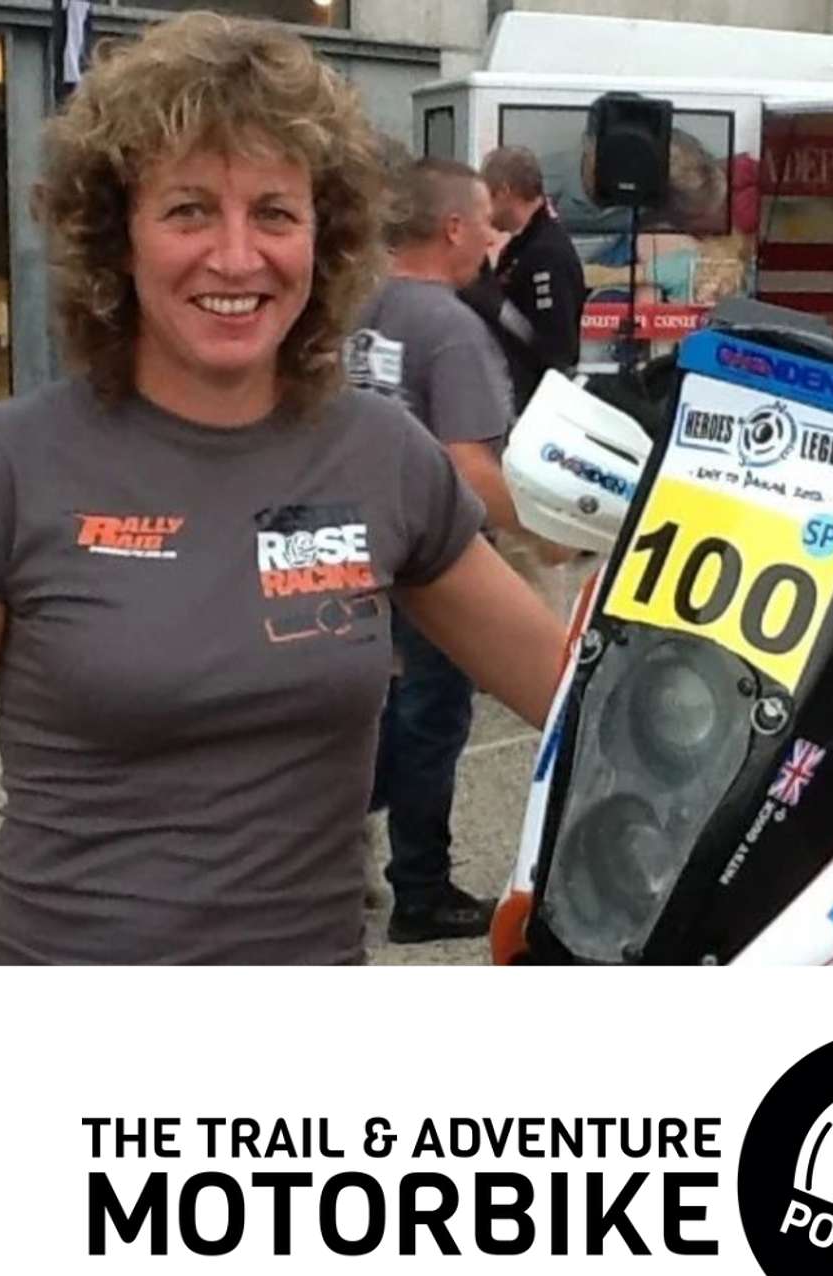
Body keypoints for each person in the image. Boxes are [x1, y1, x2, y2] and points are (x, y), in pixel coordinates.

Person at [0, 12, 566, 965]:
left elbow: (574, 700)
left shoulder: (383, 456)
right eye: (189, 210)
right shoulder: (2, 466)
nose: (236, 258)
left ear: (324, 235)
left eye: (274, 213)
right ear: (118, 237)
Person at [347, 157, 528, 944]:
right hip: (430, 559)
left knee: (382, 711)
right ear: (454, 228)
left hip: (349, 542)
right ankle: (421, 890)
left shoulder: (355, 307)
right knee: (432, 719)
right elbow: (468, 466)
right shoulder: (452, 328)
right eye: (486, 220)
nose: (494, 236)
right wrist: (551, 530)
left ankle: (321, 839)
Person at [461, 146, 586, 414]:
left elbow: (556, 347)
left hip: (536, 401)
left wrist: (496, 307)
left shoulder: (545, 252)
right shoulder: (523, 245)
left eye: (487, 198)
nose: (485, 211)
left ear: (505, 192)